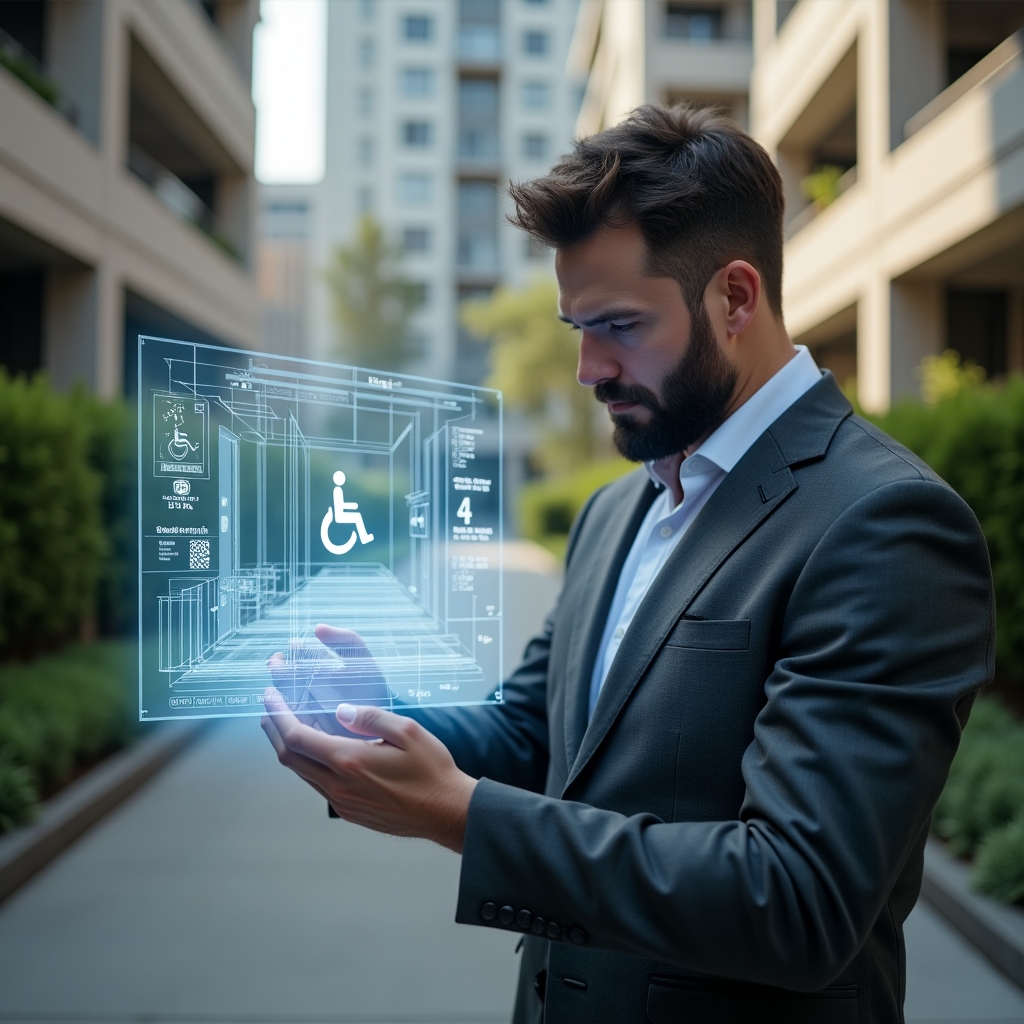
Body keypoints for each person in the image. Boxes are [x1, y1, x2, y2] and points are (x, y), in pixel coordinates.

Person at [261, 105, 993, 1023]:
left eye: (617, 325)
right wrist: (375, 724)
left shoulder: (886, 523)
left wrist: (459, 816)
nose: (586, 368)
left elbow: (800, 900)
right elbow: (541, 736)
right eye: (576, 325)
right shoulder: (618, 509)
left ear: (735, 297)